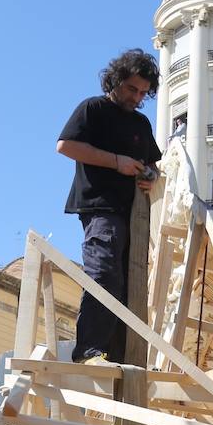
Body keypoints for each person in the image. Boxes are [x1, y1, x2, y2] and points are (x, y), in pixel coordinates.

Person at [57, 50, 161, 363]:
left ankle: (117, 356)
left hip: (136, 215)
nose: (138, 97)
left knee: (131, 284)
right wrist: (117, 162)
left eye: (144, 92)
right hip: (100, 208)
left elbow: (153, 163)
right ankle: (88, 349)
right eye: (132, 89)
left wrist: (151, 175)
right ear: (116, 80)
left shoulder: (141, 123)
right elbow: (66, 146)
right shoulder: (93, 108)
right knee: (103, 272)